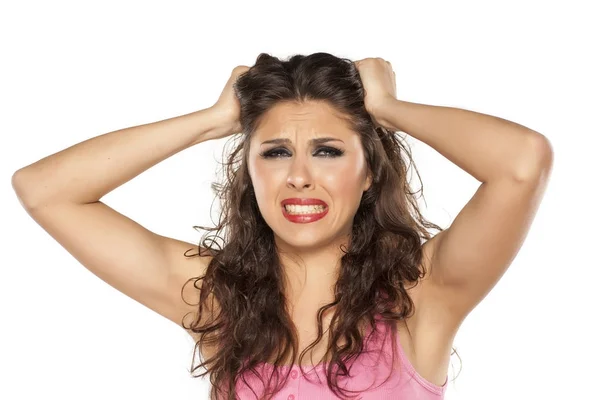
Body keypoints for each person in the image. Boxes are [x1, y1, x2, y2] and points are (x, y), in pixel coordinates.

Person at [11, 52, 554, 400]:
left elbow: (521, 162)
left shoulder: (423, 293)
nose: (299, 177)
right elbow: (43, 190)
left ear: (369, 173)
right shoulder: (216, 298)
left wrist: (387, 107)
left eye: (327, 151)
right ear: (249, 173)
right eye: (274, 153)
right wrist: (212, 121)